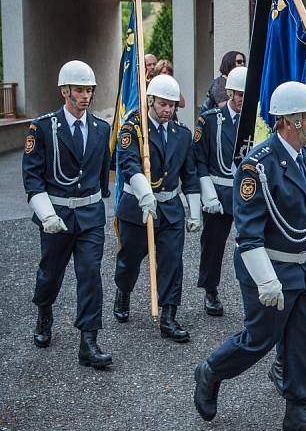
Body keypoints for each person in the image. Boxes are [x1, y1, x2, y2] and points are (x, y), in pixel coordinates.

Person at [193, 82, 306, 431]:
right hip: (270, 267)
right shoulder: (257, 166)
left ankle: (297, 412)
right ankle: (212, 370)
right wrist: (266, 280)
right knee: (260, 338)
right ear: (289, 121)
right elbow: (249, 232)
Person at [22, 60, 112, 368]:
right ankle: (44, 312)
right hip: (57, 216)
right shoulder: (43, 127)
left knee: (90, 275)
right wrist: (46, 214)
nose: (86, 96)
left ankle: (89, 340)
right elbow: (32, 177)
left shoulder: (102, 128)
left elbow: (102, 175)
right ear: (65, 92)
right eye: (79, 90)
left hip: (89, 216)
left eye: (89, 90)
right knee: (51, 273)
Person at [112, 74, 201, 342]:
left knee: (172, 261)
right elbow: (128, 165)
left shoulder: (182, 134)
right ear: (150, 100)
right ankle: (123, 291)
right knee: (130, 260)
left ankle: (168, 316)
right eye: (163, 104)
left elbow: (190, 174)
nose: (168, 110)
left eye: (172, 105)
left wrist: (194, 210)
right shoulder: (133, 130)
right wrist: (144, 194)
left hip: (170, 208)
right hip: (137, 206)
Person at [193, 66, 246, 317]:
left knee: (254, 243)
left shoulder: (256, 122)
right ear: (229, 92)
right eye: (239, 94)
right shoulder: (210, 119)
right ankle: (210, 289)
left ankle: (256, 288)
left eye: (247, 95)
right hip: (218, 191)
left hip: (247, 192)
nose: (242, 100)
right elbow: (199, 158)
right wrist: (206, 192)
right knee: (213, 244)